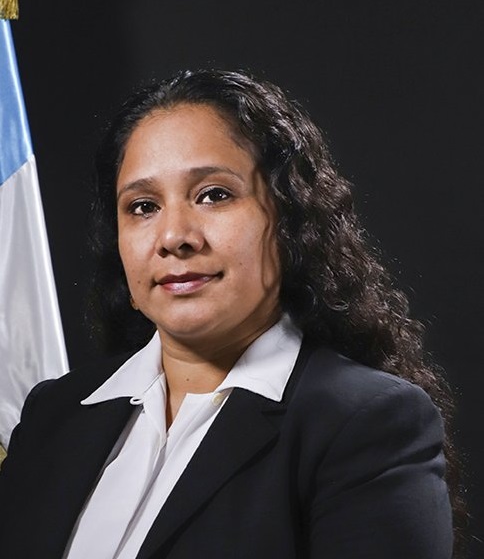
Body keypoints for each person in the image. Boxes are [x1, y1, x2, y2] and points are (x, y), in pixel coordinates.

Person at [0, 69, 464, 558]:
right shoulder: (54, 414)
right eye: (142, 206)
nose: (174, 237)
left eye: (214, 195)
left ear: (288, 220)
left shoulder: (366, 425)